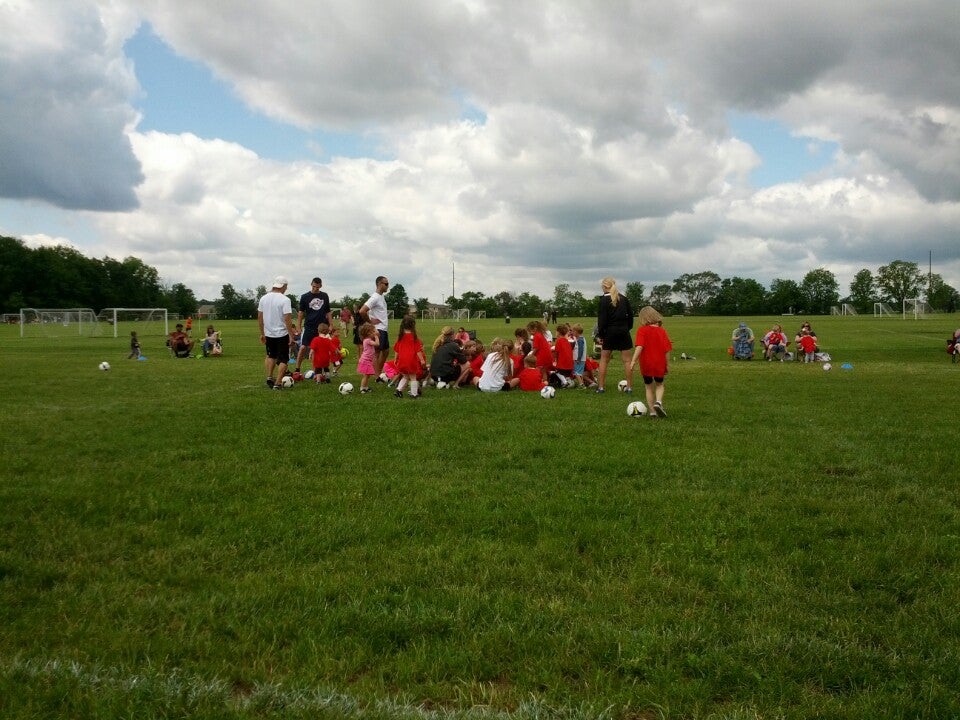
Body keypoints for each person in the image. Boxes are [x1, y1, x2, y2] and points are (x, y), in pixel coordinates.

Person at [629, 306, 672, 418]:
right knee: (660, 384)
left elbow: (639, 346)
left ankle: (652, 411)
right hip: (659, 362)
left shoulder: (642, 330)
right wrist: (667, 364)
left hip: (646, 363)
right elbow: (667, 350)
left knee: (648, 386)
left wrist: (633, 361)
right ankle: (658, 402)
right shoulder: (662, 331)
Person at [595, 276, 634, 393]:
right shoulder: (624, 299)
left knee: (604, 360)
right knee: (627, 361)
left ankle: (601, 387)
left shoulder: (603, 301)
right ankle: (629, 387)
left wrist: (601, 336)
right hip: (623, 331)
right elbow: (631, 318)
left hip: (609, 333)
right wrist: (626, 329)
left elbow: (601, 321)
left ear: (604, 287)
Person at [257, 276, 296, 389]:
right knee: (284, 359)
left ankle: (269, 377)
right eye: (286, 287)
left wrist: (262, 333)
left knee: (270, 355)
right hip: (282, 334)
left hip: (268, 333)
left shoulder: (263, 298)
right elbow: (287, 318)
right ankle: (278, 383)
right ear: (283, 286)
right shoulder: (285, 300)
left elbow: (260, 317)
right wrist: (291, 335)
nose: (286, 289)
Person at [294, 277, 331, 373]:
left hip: (322, 327)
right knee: (303, 347)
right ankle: (297, 368)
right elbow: (301, 312)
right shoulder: (305, 297)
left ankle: (316, 371)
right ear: (311, 284)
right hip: (309, 326)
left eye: (317, 287)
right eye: (314, 286)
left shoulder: (324, 296)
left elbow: (328, 311)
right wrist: (298, 326)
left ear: (321, 286)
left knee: (319, 349)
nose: (315, 289)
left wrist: (331, 324)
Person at [359, 276, 390, 377]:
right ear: (379, 284)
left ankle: (379, 372)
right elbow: (362, 311)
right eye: (386, 284)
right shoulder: (375, 297)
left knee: (386, 351)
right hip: (378, 329)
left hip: (384, 328)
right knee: (376, 353)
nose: (387, 286)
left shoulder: (381, 297)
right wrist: (371, 324)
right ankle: (377, 376)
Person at [392, 315, 426, 398]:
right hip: (411, 361)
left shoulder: (400, 337)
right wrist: (422, 360)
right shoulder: (414, 338)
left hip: (402, 360)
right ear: (413, 325)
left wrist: (395, 359)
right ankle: (414, 394)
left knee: (406, 376)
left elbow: (397, 350)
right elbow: (418, 351)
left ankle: (398, 390)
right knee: (413, 377)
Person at [356, 322, 379, 393]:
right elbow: (377, 344)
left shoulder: (367, 340)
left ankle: (365, 387)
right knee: (366, 376)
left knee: (368, 375)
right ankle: (362, 388)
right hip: (365, 361)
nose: (374, 332)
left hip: (368, 360)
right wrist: (376, 337)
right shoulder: (367, 340)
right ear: (368, 333)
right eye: (372, 331)